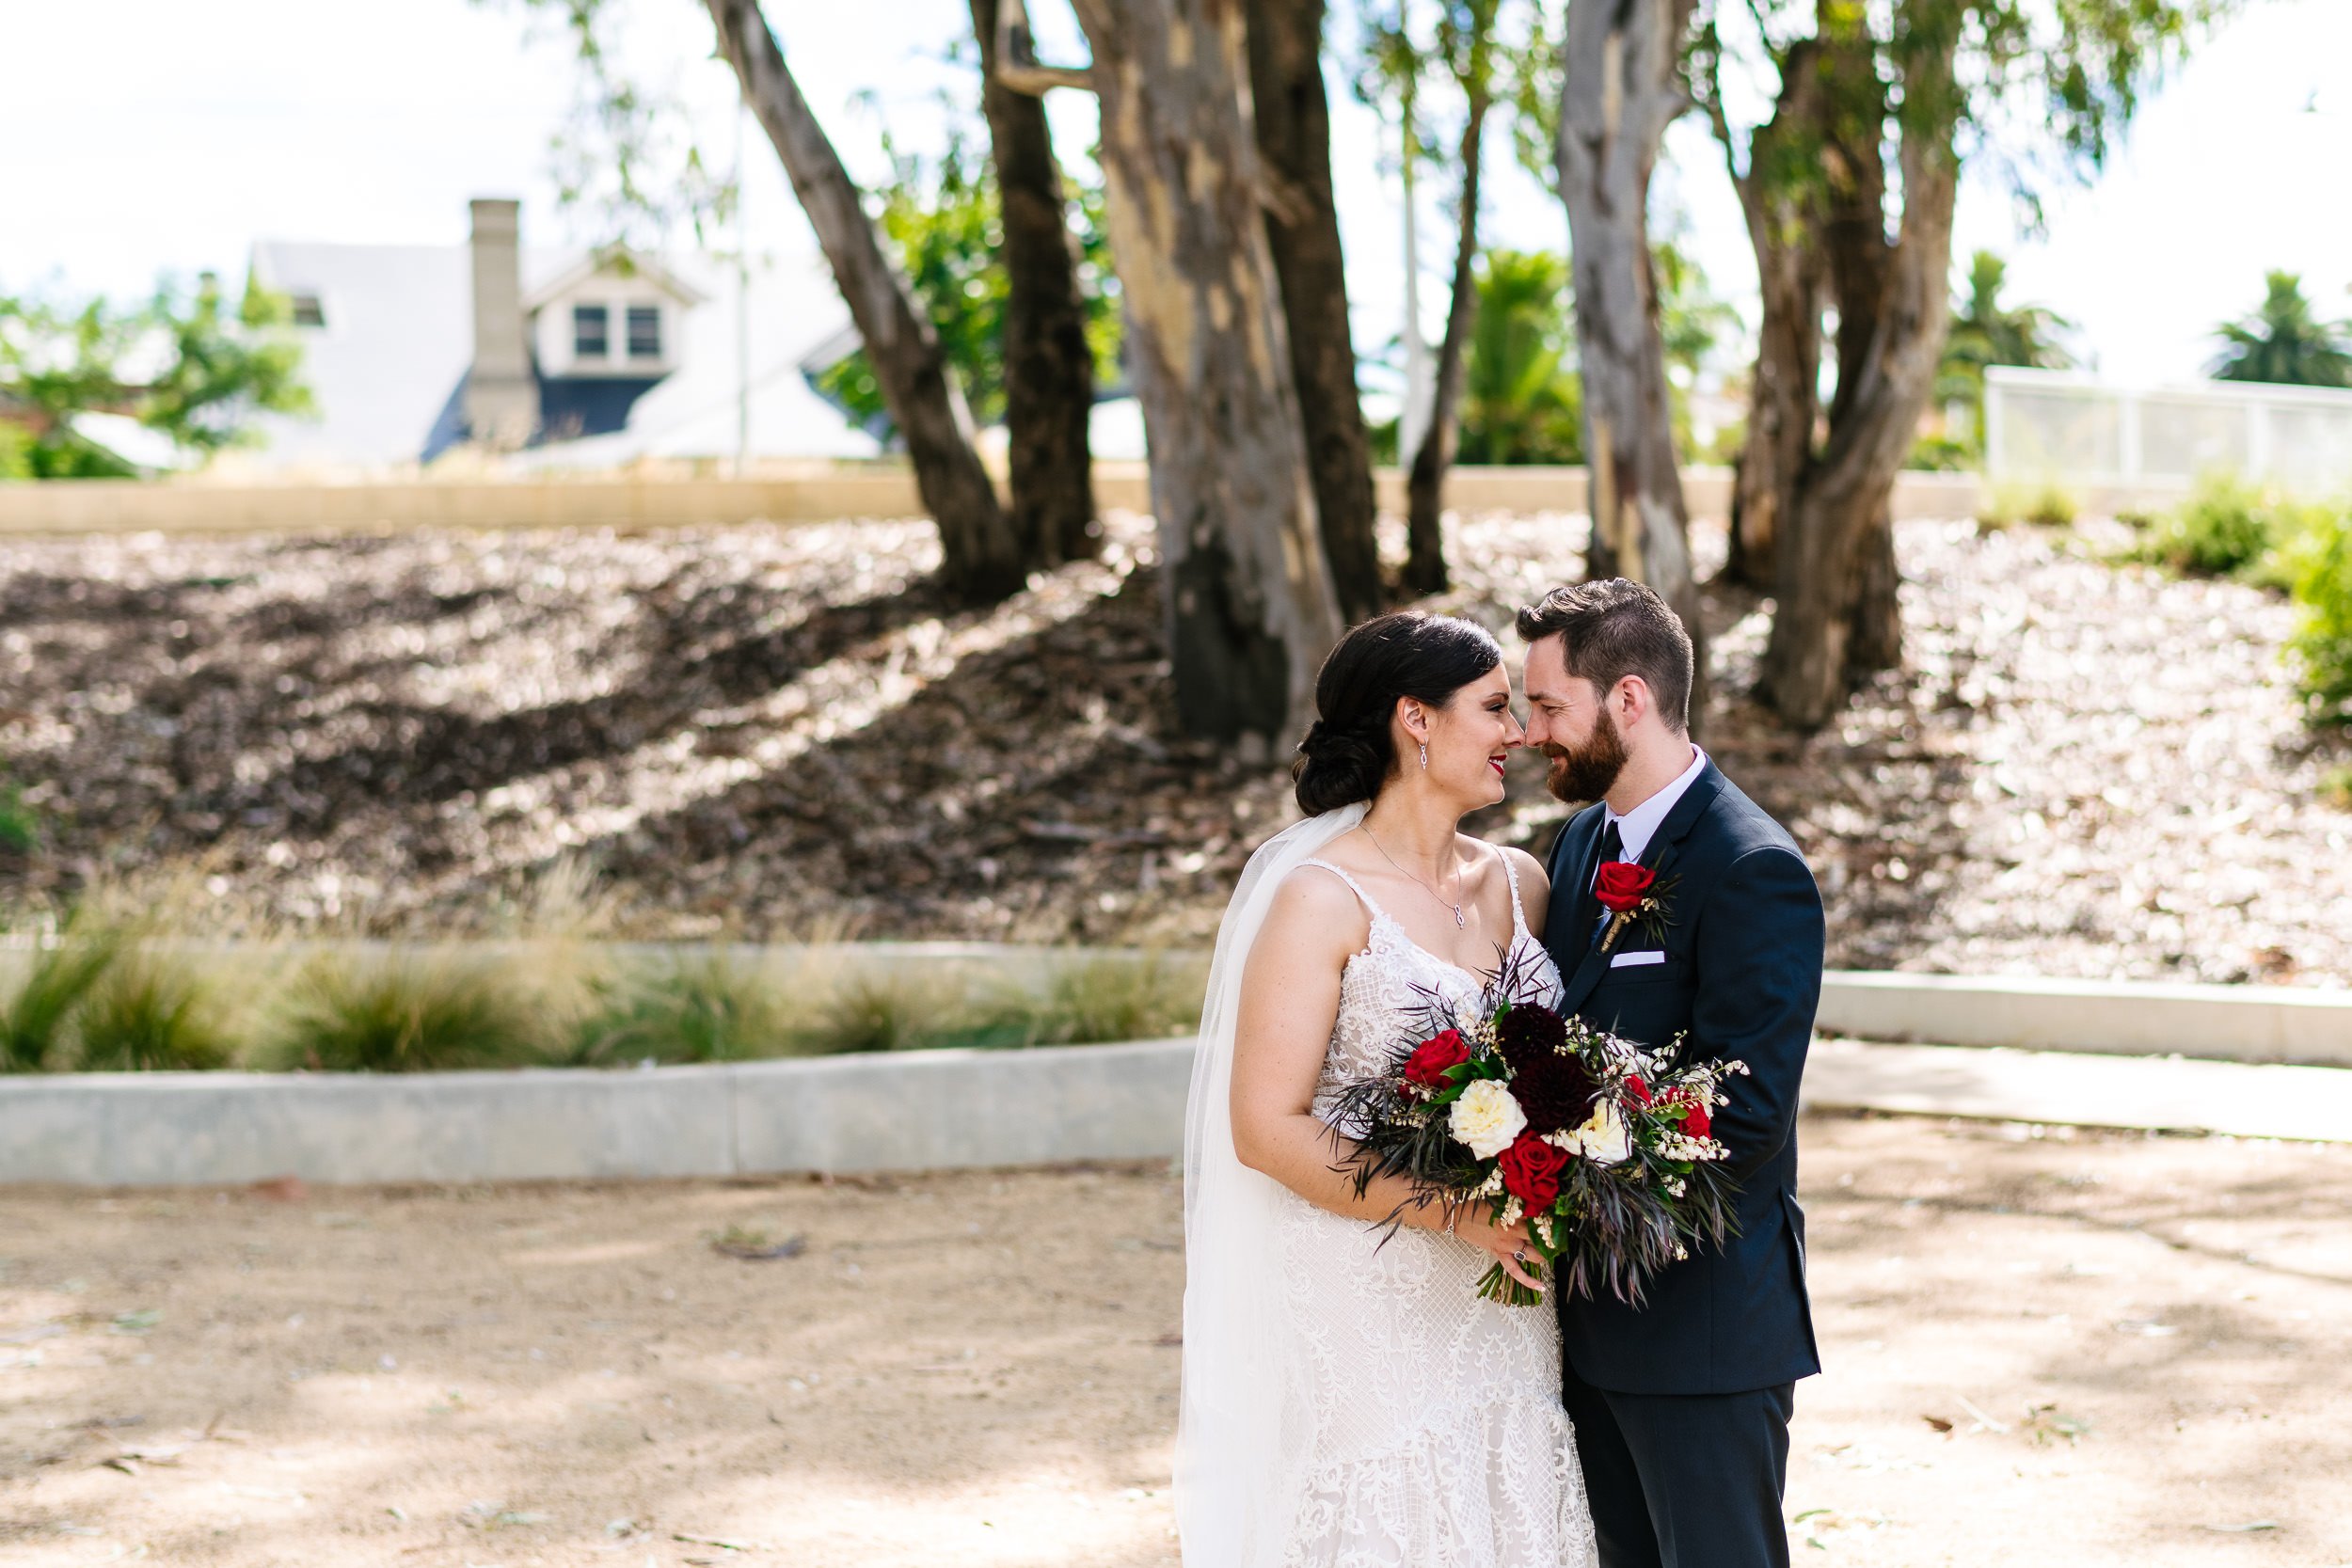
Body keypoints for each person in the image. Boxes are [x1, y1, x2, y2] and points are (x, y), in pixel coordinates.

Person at [1175, 610, 1598, 1567]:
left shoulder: (1520, 883)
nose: (1519, 733)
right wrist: (1454, 1211)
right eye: (1494, 707)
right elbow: (1266, 1126)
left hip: (1503, 1283)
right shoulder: (1320, 897)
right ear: (1416, 719)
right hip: (1365, 1283)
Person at [1518, 578, 1826, 1568]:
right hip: (1589, 1326)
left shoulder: (1751, 866)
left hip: (1700, 1328)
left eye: (1548, 705)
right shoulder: (1577, 847)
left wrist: (1567, 1154)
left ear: (1629, 699)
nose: (1532, 733)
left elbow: (1742, 1112)